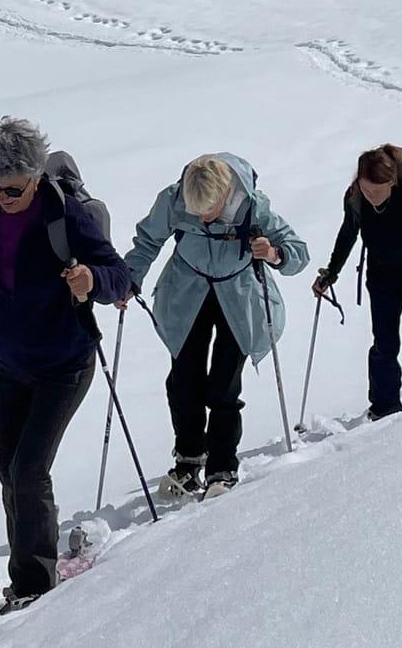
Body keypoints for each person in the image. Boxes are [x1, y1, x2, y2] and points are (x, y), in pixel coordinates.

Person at [0, 119, 129, 606]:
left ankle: (35, 586)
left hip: (65, 362)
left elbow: (120, 275)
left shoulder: (65, 213)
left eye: (11, 189)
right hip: (9, 362)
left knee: (29, 470)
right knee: (7, 468)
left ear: (35, 176)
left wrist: (90, 281)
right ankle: (32, 568)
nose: (2, 197)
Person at [124, 155, 308, 498]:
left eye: (209, 211)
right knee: (183, 381)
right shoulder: (174, 198)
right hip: (186, 294)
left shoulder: (254, 206)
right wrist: (127, 280)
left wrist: (273, 253)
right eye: (196, 212)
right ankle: (189, 461)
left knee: (223, 385)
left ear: (226, 194)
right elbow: (148, 241)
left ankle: (222, 469)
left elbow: (298, 253)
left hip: (238, 299)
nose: (203, 217)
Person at [314, 146, 402, 415]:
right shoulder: (355, 196)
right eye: (366, 189)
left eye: (376, 191)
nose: (371, 197)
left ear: (392, 182)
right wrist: (331, 273)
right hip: (383, 277)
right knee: (384, 343)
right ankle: (384, 406)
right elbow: (348, 233)